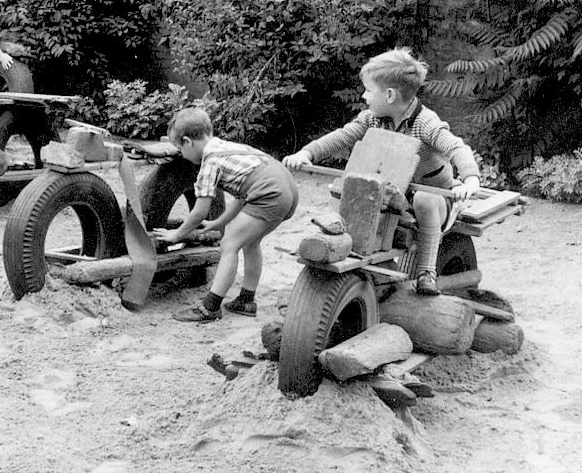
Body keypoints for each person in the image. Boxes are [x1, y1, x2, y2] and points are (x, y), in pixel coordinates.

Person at [282, 47, 481, 295]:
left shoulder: (424, 123)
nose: (364, 96)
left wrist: (470, 179)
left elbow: (456, 147)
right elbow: (343, 136)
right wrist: (307, 153)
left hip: (433, 199)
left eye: (368, 90)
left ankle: (426, 271)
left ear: (389, 95)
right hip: (392, 195)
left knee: (425, 199)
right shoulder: (372, 119)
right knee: (352, 186)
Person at [155, 107, 299, 323]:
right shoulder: (228, 147)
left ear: (187, 141)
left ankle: (210, 307)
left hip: (270, 192)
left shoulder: (210, 161)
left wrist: (176, 235)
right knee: (251, 242)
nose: (182, 156)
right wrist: (219, 222)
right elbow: (243, 196)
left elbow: (199, 211)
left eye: (180, 149)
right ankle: (246, 300)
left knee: (229, 245)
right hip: (285, 187)